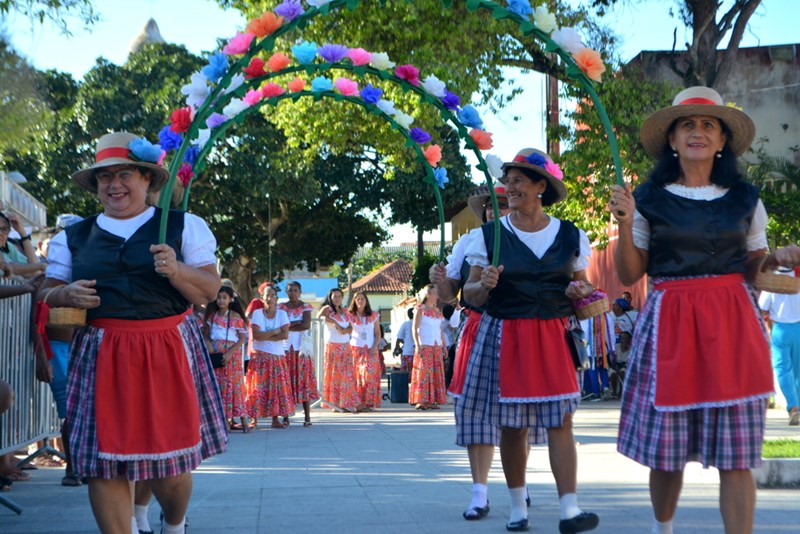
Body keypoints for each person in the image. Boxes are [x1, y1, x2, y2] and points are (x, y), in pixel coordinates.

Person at [608, 86, 800, 534]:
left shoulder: (746, 198)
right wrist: (623, 224)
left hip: (733, 323)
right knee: (667, 451)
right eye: (687, 125)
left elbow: (755, 266)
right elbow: (631, 272)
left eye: (708, 125)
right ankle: (664, 529)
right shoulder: (648, 198)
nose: (698, 133)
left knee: (738, 455)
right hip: (670, 321)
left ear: (721, 141)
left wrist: (778, 260)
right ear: (672, 140)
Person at [38, 131, 227, 534]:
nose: (114, 184)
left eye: (125, 174)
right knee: (102, 464)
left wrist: (177, 270)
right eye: (105, 177)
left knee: (169, 463)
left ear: (147, 179)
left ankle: (173, 525)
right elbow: (47, 291)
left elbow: (209, 291)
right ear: (95, 186)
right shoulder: (71, 238)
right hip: (101, 350)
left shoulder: (183, 226)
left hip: (168, 346)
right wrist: (64, 292)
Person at [461, 148, 599, 533]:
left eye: (520, 180)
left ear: (542, 187)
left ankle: (570, 509)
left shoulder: (570, 234)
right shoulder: (487, 236)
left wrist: (578, 291)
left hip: (554, 333)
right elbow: (470, 295)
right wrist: (482, 284)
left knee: (562, 421)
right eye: (509, 180)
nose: (511, 186)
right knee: (512, 426)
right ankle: (518, 506)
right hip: (507, 332)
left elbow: (581, 284)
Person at [429, 182, 519, 521]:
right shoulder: (468, 243)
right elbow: (450, 295)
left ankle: (518, 489)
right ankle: (479, 494)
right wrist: (439, 279)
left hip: (519, 331)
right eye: (493, 206)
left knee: (517, 415)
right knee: (476, 415)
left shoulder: (532, 239)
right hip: (478, 328)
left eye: (506, 205)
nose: (498, 212)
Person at [247, 284, 293, 429]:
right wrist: (275, 332)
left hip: (277, 356)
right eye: (267, 295)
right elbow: (257, 336)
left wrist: (267, 335)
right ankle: (254, 419)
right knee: (256, 388)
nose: (270, 298)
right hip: (259, 356)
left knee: (276, 389)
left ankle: (275, 419)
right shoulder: (257, 314)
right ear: (262, 298)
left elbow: (285, 334)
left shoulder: (282, 314)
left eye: (273, 295)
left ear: (277, 298)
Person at [758, 270, 800, 425]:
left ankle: (793, 406)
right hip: (799, 328)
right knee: (798, 370)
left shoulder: (772, 281)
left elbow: (762, 308)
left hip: (780, 329)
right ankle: (798, 405)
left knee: (782, 368)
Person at [204, 285, 249, 432]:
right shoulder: (212, 316)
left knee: (234, 385)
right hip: (216, 353)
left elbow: (241, 339)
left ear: (230, 300)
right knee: (219, 386)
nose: (221, 301)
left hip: (231, 355)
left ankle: (243, 420)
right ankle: (223, 421)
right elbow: (206, 334)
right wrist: (208, 343)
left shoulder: (235, 317)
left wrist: (230, 352)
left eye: (224, 298)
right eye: (219, 297)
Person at [279, 281, 319, 427]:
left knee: (304, 382)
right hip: (284, 349)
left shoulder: (306, 307)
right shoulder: (281, 307)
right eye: (290, 290)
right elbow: (280, 325)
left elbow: (306, 324)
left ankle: (307, 416)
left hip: (301, 350)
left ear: (300, 292)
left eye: (295, 290)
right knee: (286, 382)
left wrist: (289, 326)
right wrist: (295, 324)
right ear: (286, 292)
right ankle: (285, 416)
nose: (293, 293)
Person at [317, 288, 364, 413]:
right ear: (330, 297)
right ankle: (335, 403)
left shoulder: (344, 311)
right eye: (334, 296)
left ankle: (346, 401)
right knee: (335, 376)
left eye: (339, 296)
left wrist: (344, 330)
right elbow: (319, 318)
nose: (337, 298)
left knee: (347, 376)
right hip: (333, 346)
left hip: (345, 346)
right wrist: (335, 323)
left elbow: (350, 327)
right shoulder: (327, 309)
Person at [409, 284, 447, 410]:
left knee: (435, 372)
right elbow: (415, 328)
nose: (437, 296)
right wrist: (418, 344)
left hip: (436, 345)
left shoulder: (437, 311)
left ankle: (432, 400)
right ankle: (421, 399)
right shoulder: (420, 308)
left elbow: (440, 330)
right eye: (434, 293)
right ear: (428, 295)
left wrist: (444, 346)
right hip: (425, 344)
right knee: (424, 372)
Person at [347, 291, 382, 410]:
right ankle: (358, 402)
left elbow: (377, 333)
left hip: (370, 349)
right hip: (355, 349)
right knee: (357, 376)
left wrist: (374, 346)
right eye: (358, 299)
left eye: (362, 299)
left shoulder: (373, 315)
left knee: (369, 375)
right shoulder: (350, 315)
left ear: (366, 301)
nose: (360, 301)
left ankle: (369, 401)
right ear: (354, 301)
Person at [0, 211, 45, 277]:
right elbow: (10, 267)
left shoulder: (8, 247)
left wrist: (22, 232)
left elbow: (34, 271)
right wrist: (41, 266)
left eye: (4, 229)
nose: (0, 233)